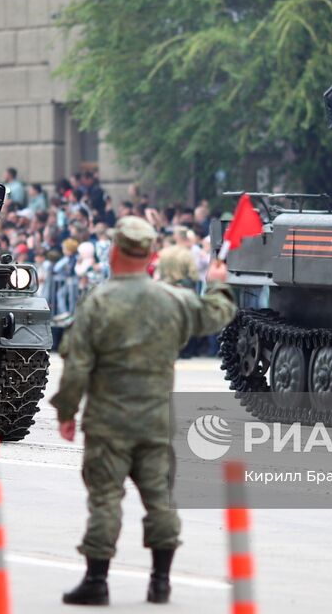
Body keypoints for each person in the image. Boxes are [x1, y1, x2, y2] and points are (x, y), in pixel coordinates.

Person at [51, 216, 236, 606]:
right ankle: (160, 581)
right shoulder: (172, 300)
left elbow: (77, 365)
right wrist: (219, 282)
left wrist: (67, 412)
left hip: (107, 423)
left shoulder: (97, 302)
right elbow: (215, 315)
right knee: (159, 498)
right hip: (155, 422)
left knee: (105, 498)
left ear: (115, 251)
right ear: (151, 255)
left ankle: (97, 582)